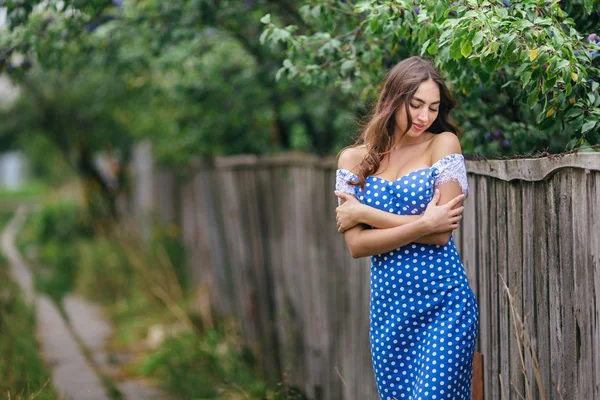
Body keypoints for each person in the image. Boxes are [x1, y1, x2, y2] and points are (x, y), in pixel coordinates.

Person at [334, 56, 478, 400]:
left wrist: (365, 213)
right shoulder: (353, 160)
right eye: (416, 105)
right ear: (394, 99)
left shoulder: (442, 145)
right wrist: (423, 223)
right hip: (390, 311)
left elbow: (441, 232)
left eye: (433, 107)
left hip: (444, 304)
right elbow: (356, 245)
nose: (424, 117)